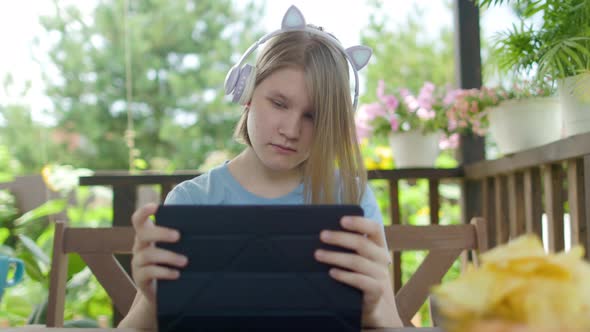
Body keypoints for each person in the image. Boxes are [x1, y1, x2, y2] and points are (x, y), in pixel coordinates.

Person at [119, 5, 403, 329]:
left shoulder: (352, 197)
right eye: (279, 103)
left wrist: (376, 313)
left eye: (313, 116)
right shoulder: (192, 201)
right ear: (247, 92)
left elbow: (391, 323)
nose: (291, 130)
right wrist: (151, 304)